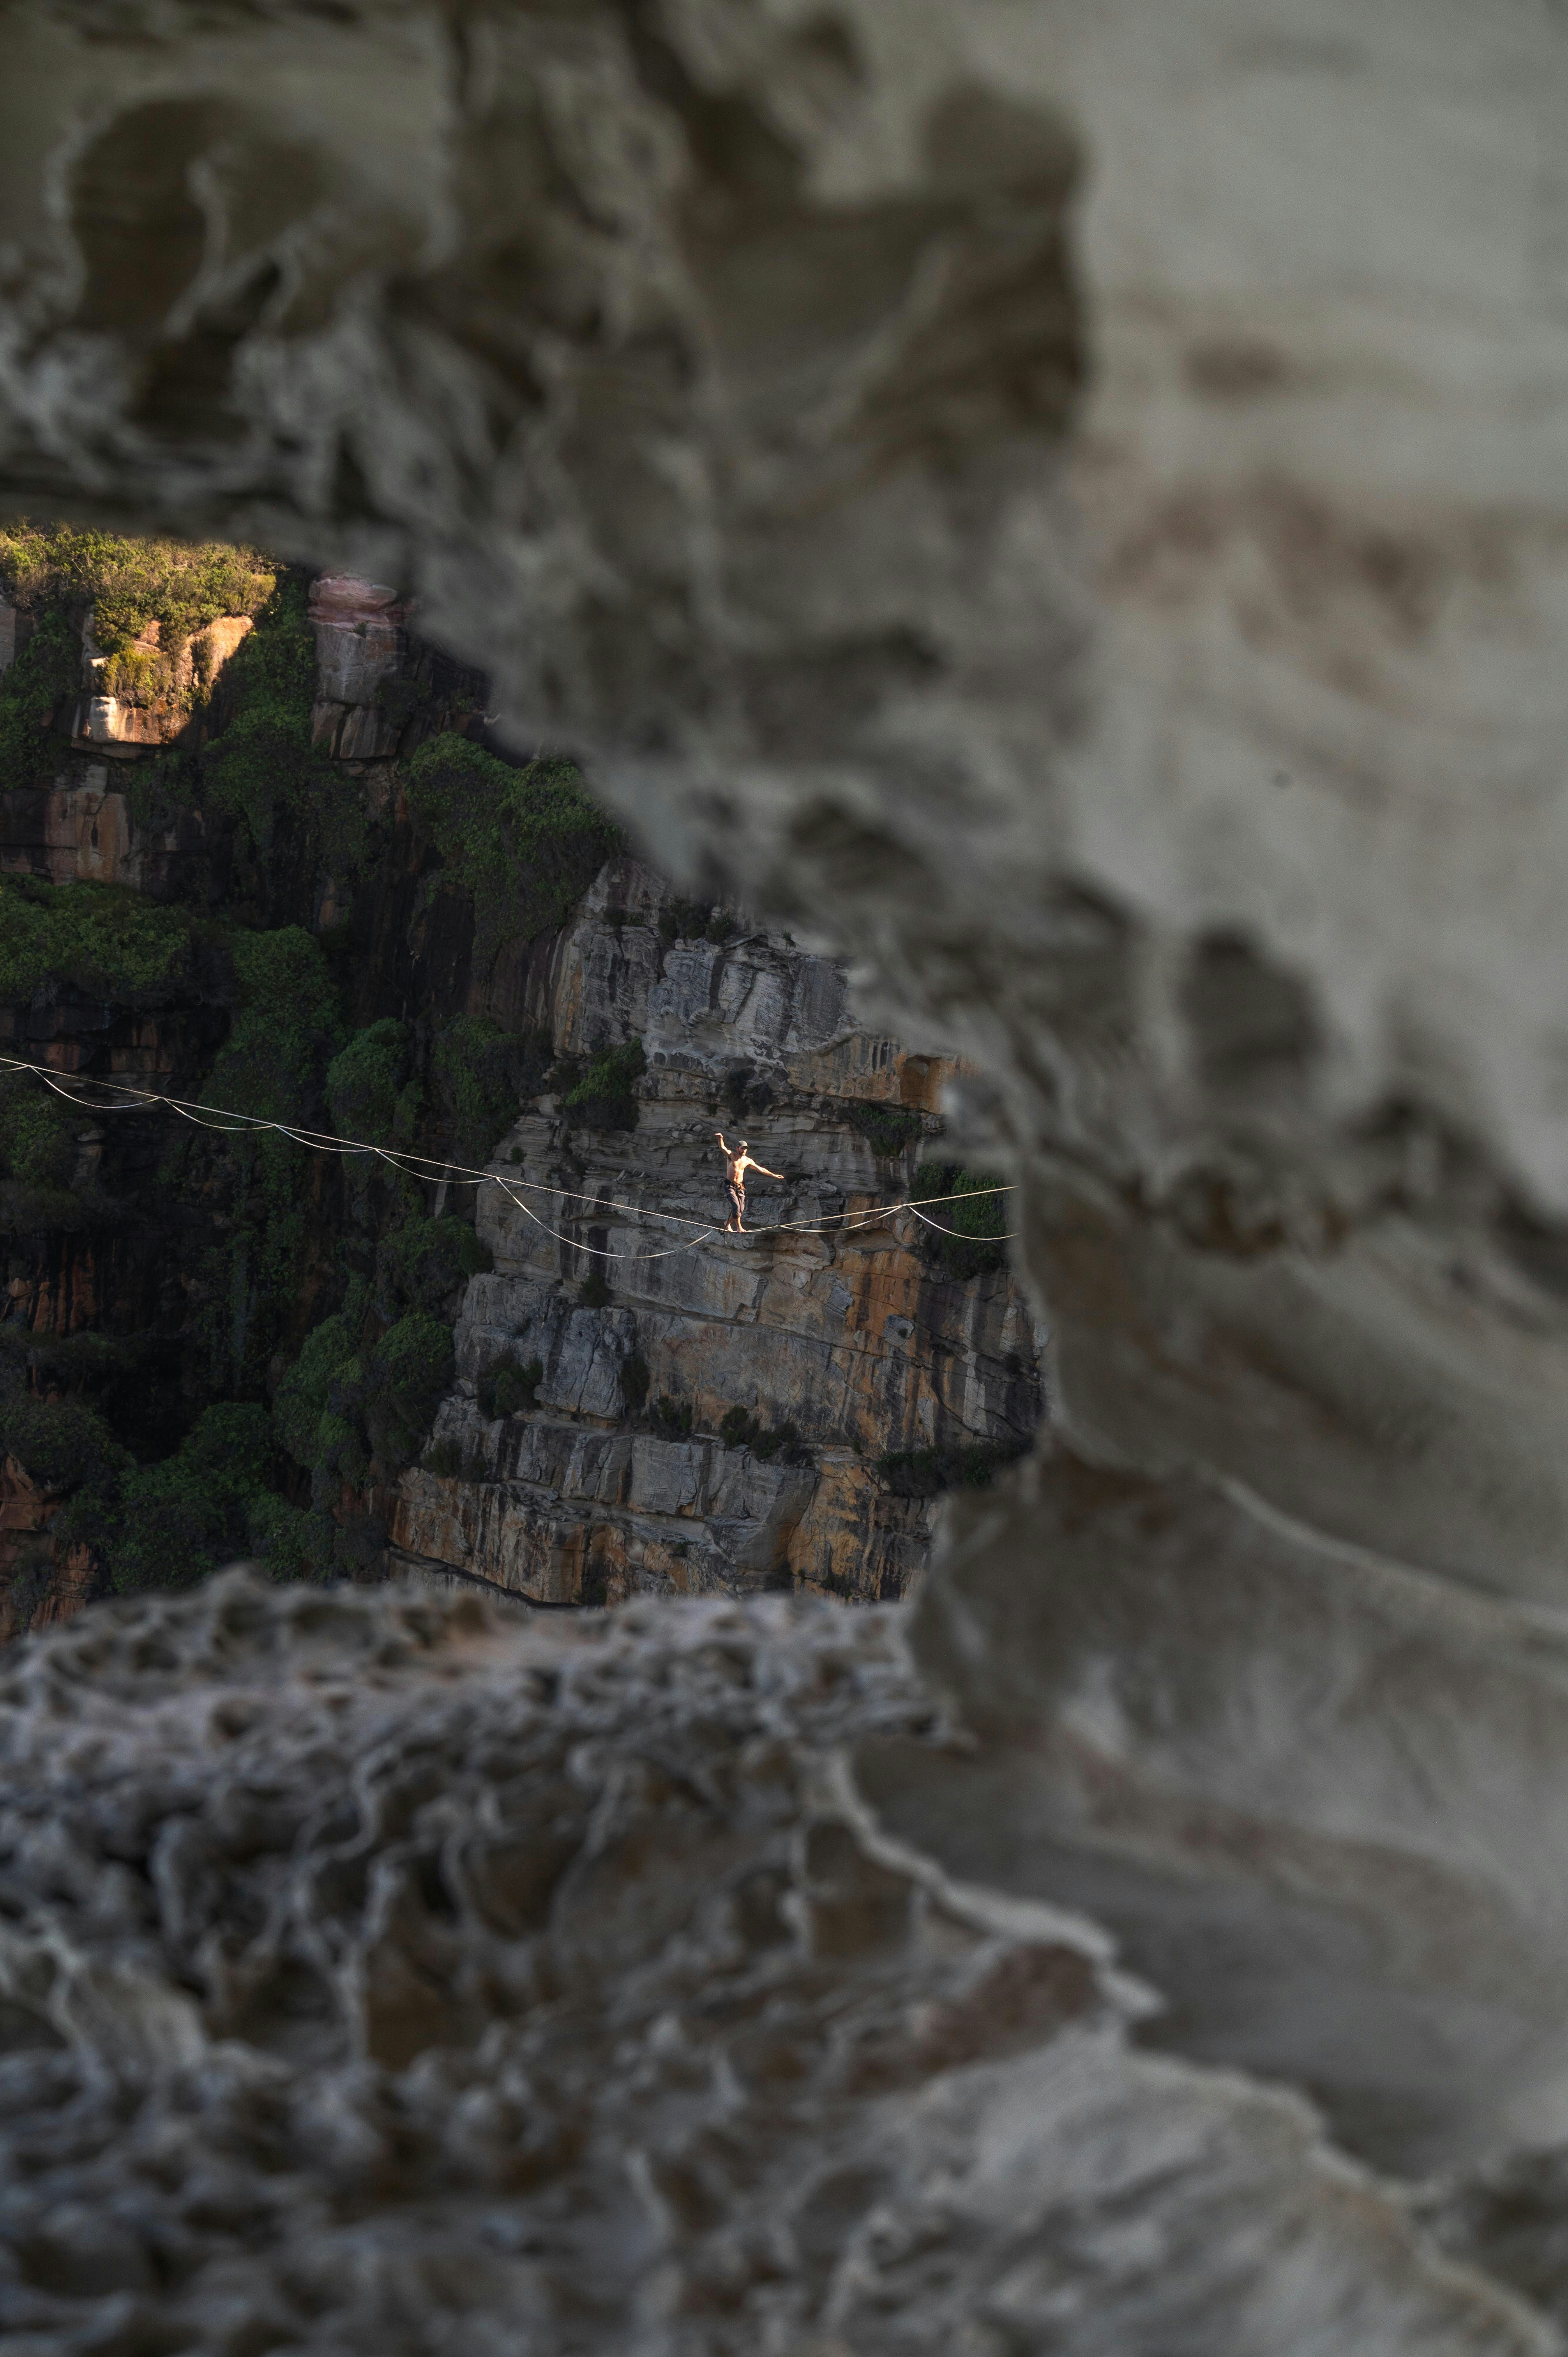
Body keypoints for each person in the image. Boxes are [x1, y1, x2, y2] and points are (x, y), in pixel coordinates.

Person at [714, 1132, 783, 1232]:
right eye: (742, 1148)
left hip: (741, 1187)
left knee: (741, 1210)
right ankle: (737, 1227)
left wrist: (774, 1175)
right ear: (738, 1148)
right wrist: (720, 1138)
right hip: (730, 1185)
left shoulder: (748, 1161)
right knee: (736, 1207)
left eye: (745, 1149)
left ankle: (729, 1224)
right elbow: (722, 1148)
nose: (744, 1150)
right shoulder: (731, 1156)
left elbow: (761, 1170)